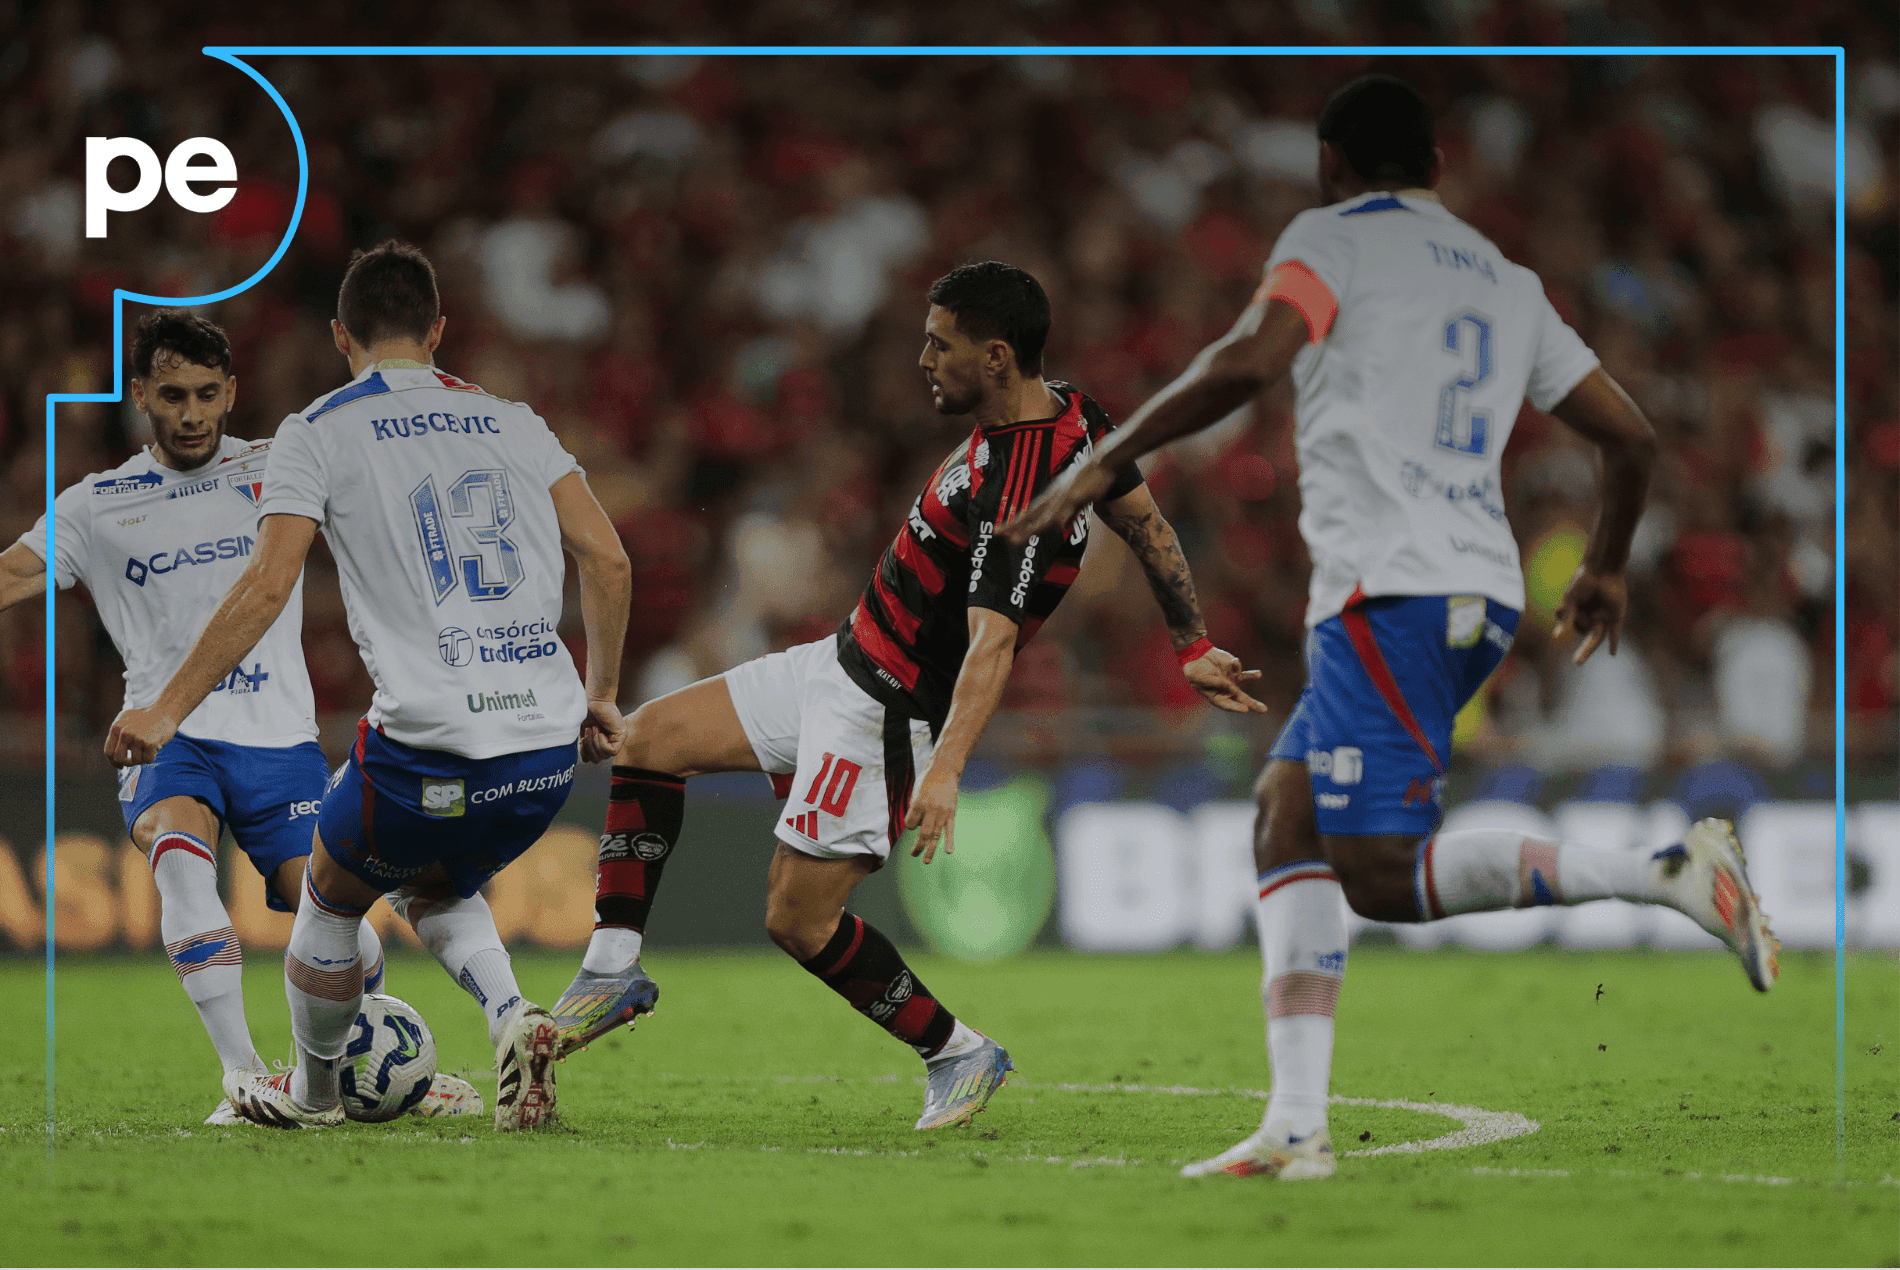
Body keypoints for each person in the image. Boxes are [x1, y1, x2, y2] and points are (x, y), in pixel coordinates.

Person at [1007, 76, 1777, 1180]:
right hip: (1475, 588)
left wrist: (1100, 460)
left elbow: (1250, 360)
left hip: (1396, 592)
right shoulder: (1506, 282)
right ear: (1439, 167)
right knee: (1285, 819)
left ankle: (1666, 872)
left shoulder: (1333, 241)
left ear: (1329, 162)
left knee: (1374, 872)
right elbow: (1633, 438)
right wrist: (1602, 566)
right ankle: (1297, 1125)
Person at [549, 261, 1267, 1130]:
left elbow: (993, 644)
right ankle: (614, 967)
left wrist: (947, 768)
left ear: (996, 356)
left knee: (796, 918)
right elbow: (1148, 523)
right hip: (840, 659)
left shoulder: (1025, 489)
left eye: (941, 345)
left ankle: (957, 1051)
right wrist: (1190, 641)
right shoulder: (1079, 415)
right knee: (648, 741)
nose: (924, 359)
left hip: (885, 709)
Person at [106, 242, 632, 1131]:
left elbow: (268, 585)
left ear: (340, 335)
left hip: (427, 741)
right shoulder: (515, 419)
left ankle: (312, 1097)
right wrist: (603, 693)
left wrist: (165, 707)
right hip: (545, 747)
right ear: (437, 331)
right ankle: (513, 1017)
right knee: (430, 881)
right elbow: (609, 557)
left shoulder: (318, 429)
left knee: (330, 894)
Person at [0, 311, 477, 1124]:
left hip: (280, 740)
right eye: (175, 395)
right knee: (181, 858)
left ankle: (368, 1066)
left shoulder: (277, 468)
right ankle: (245, 1074)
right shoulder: (96, 504)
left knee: (343, 929)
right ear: (143, 394)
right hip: (165, 733)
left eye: (209, 395)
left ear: (232, 392)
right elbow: (13, 572)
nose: (192, 414)